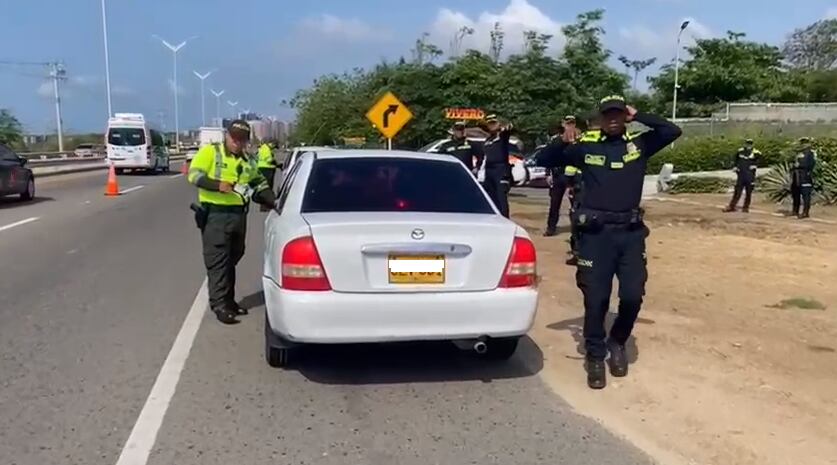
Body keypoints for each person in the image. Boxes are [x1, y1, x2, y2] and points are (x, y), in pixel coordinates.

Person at [537, 95, 682, 389]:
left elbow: (671, 131)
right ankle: (594, 354)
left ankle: (617, 341)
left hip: (629, 235)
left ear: (624, 115)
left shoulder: (639, 145)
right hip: (595, 236)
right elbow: (543, 160)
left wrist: (639, 114)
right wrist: (562, 141)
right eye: (608, 114)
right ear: (601, 118)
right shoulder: (586, 147)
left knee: (632, 295)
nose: (613, 118)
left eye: (618, 113)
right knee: (596, 300)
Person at [187, 120, 277, 324]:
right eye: (234, 137)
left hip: (238, 215)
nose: (237, 142)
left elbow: (258, 183)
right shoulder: (212, 152)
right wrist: (217, 185)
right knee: (218, 260)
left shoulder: (248, 160)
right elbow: (194, 175)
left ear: (246, 141)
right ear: (227, 136)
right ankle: (219, 305)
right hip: (215, 215)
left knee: (234, 256)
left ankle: (228, 300)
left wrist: (273, 200)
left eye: (241, 139)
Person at [545, 116, 578, 237]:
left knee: (576, 205)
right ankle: (551, 228)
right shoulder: (556, 140)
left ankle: (577, 230)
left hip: (573, 177)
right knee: (554, 204)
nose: (570, 125)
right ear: (563, 124)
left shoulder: (579, 139)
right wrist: (548, 174)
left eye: (572, 123)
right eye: (567, 123)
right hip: (558, 175)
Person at [480, 114, 514, 218]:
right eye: (490, 124)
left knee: (501, 198)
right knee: (491, 198)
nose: (492, 126)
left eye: (494, 123)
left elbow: (510, 127)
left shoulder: (503, 136)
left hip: (500, 170)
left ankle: (504, 220)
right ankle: (494, 219)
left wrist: (502, 125)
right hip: (489, 171)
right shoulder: (487, 140)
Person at [723, 139, 760, 213]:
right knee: (737, 192)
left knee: (748, 193)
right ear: (745, 144)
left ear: (752, 145)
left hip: (750, 176)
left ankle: (746, 208)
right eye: (747, 144)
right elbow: (736, 160)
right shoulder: (740, 151)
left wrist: (755, 166)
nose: (748, 145)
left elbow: (760, 161)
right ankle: (732, 206)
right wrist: (735, 166)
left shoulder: (756, 153)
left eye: (750, 144)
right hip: (741, 175)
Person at [791, 137, 817, 219]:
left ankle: (806, 212)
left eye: (805, 143)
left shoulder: (811, 153)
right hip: (797, 177)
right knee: (796, 194)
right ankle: (795, 210)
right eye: (802, 143)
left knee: (806, 195)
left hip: (805, 176)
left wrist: (800, 165)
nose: (803, 145)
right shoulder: (799, 153)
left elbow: (811, 165)